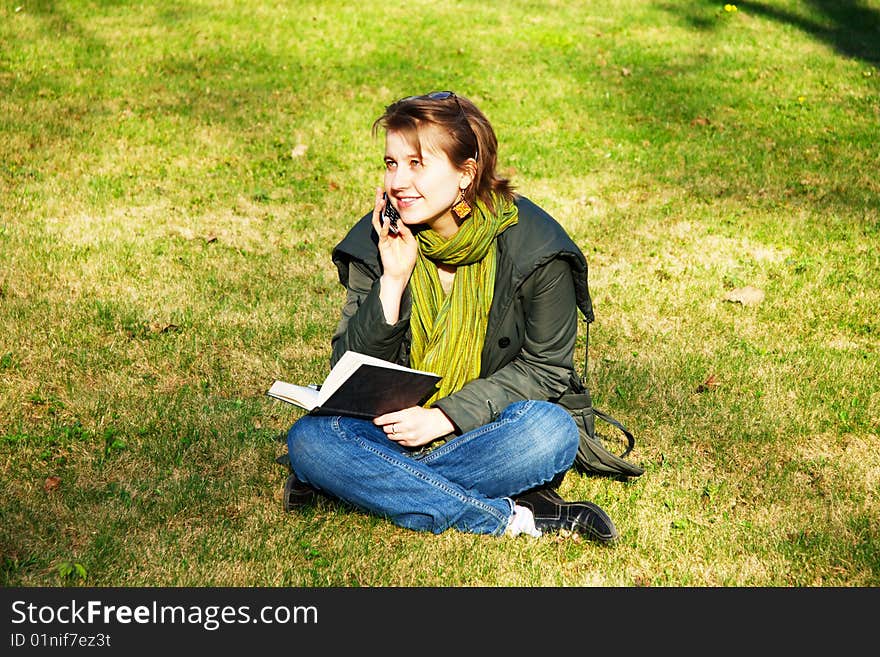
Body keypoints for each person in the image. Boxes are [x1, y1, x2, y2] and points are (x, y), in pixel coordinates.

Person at [284, 91, 618, 543]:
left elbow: (546, 369)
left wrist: (444, 418)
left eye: (416, 164)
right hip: (391, 429)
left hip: (493, 428)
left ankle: (366, 481)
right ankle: (508, 516)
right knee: (310, 439)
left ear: (466, 172)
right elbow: (347, 372)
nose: (398, 181)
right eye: (390, 164)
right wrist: (394, 280)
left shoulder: (538, 249)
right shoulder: (380, 238)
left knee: (551, 431)